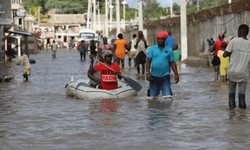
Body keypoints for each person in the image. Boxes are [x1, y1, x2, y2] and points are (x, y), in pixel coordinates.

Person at [223, 24, 250, 110]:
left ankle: (232, 113)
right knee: (242, 95)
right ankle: (242, 115)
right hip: (244, 73)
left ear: (239, 32)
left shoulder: (234, 41)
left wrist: (232, 53)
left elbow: (224, 54)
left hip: (232, 72)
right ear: (247, 33)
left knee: (231, 94)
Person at [146, 31, 179, 99]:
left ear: (164, 40)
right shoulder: (152, 49)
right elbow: (148, 61)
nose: (160, 40)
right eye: (158, 39)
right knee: (152, 98)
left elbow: (172, 63)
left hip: (165, 76)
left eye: (161, 39)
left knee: (167, 98)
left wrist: (176, 74)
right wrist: (147, 73)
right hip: (154, 76)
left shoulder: (169, 50)